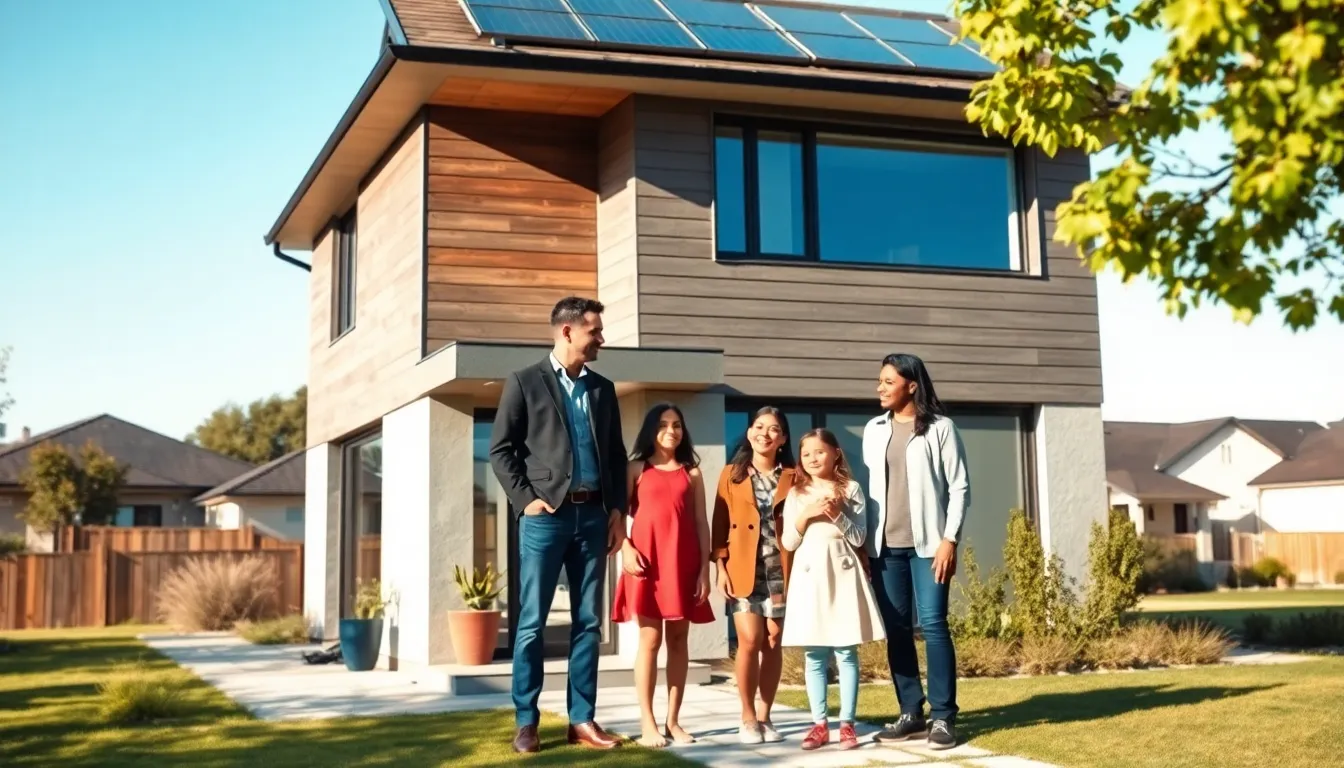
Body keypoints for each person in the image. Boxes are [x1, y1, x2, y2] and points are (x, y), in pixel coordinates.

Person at [489, 296, 629, 754]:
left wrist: (617, 510)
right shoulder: (524, 381)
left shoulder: (603, 389)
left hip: (594, 517)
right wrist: (526, 500)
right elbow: (501, 450)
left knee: (588, 622)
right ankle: (526, 721)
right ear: (567, 331)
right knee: (531, 622)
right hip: (545, 519)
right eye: (595, 331)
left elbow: (615, 455)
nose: (601, 338)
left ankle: (581, 720)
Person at [862, 353, 970, 751]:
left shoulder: (941, 428)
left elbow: (959, 487)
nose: (880, 387)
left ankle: (943, 716)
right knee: (897, 630)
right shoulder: (874, 429)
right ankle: (911, 711)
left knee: (935, 625)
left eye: (888, 381)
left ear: (911, 385)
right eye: (880, 380)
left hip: (929, 548)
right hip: (885, 548)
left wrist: (949, 539)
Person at [611, 403, 715, 748]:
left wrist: (704, 570)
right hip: (647, 564)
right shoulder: (635, 468)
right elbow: (617, 517)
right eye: (663, 424)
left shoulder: (692, 473)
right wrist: (626, 548)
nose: (671, 430)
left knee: (679, 641)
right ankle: (648, 722)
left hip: (684, 565)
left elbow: (701, 523)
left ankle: (673, 721)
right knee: (650, 640)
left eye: (677, 425)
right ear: (651, 430)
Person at [781, 428, 886, 751]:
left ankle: (848, 725)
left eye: (819, 451)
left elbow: (859, 537)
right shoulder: (796, 493)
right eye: (806, 453)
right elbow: (788, 542)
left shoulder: (851, 489)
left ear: (836, 453)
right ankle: (819, 724)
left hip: (842, 573)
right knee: (814, 653)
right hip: (809, 575)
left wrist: (837, 513)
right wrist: (806, 515)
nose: (812, 458)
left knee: (845, 650)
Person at [711, 406, 796, 745]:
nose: (765, 434)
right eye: (759, 427)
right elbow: (719, 524)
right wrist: (720, 568)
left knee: (773, 641)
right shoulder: (731, 474)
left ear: (783, 438)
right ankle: (747, 717)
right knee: (749, 639)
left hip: (782, 569)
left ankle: (765, 715)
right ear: (749, 433)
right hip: (743, 568)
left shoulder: (794, 475)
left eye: (773, 429)